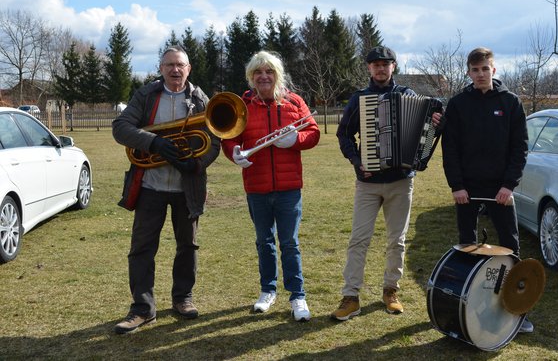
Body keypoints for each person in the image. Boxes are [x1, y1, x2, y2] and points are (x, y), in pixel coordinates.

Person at [112, 45, 220, 334]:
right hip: (150, 186)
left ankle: (183, 298)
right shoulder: (146, 95)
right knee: (142, 248)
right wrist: (154, 143)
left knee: (188, 246)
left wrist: (196, 164)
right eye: (169, 64)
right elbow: (120, 128)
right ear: (161, 68)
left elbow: (216, 139)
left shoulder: (200, 99)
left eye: (180, 65)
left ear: (189, 69)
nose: (175, 70)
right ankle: (142, 309)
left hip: (187, 187)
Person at [332, 45, 442, 321]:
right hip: (368, 183)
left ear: (394, 66)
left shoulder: (408, 96)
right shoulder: (360, 99)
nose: (380, 68)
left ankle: (391, 290)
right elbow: (344, 134)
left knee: (397, 240)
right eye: (375, 64)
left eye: (385, 64)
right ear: (368, 68)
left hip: (400, 181)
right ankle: (351, 296)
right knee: (359, 239)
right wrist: (358, 161)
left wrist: (435, 123)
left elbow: (426, 132)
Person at [440, 46, 534, 333]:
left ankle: (516, 309)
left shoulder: (511, 102)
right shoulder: (458, 104)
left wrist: (508, 186)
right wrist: (457, 186)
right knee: (467, 246)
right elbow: (450, 149)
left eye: (485, 69)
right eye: (475, 69)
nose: (480, 74)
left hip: (500, 190)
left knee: (510, 246)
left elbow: (520, 149)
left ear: (494, 70)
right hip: (467, 189)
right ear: (468, 72)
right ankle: (468, 304)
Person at [222, 50, 320, 322]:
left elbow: (313, 132)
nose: (263, 76)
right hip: (256, 186)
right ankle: (268, 291)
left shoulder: (294, 101)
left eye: (269, 71)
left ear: (277, 74)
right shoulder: (242, 105)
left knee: (289, 242)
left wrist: (296, 139)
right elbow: (228, 139)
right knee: (264, 241)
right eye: (258, 72)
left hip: (289, 187)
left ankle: (298, 295)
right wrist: (235, 153)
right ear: (251, 77)